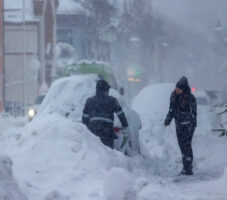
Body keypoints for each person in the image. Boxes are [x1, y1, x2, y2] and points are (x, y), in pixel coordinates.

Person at [164, 77, 197, 175]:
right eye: (176, 87)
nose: (177, 89)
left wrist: (193, 124)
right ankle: (186, 166)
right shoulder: (174, 96)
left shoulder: (190, 98)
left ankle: (188, 168)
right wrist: (168, 120)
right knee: (182, 145)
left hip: (188, 125)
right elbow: (171, 109)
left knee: (186, 145)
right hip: (179, 124)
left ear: (184, 88)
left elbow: (194, 113)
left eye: (179, 88)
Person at [82, 80, 128, 149]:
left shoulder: (90, 100)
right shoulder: (112, 100)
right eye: (107, 90)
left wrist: (85, 129)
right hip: (107, 130)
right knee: (108, 152)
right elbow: (120, 114)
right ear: (105, 90)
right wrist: (125, 125)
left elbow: (85, 117)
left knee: (93, 150)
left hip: (93, 129)